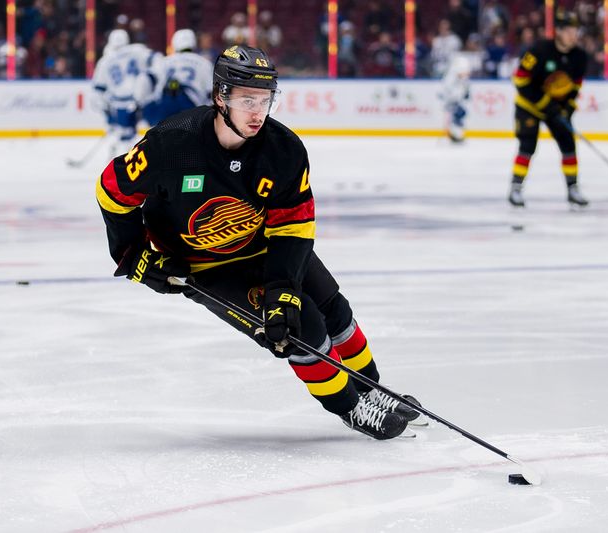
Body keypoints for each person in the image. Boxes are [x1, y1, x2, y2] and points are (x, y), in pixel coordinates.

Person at [95, 45, 422, 440]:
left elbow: (293, 226)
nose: (258, 112)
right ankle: (352, 408)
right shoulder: (173, 144)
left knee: (334, 310)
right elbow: (111, 191)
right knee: (304, 329)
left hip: (266, 246)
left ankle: (373, 390)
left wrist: (281, 288)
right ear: (220, 97)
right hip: (207, 268)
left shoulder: (283, 150)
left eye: (265, 100)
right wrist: (135, 257)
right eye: (247, 100)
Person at [508, 12, 588, 208]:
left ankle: (573, 188)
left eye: (575, 31)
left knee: (568, 144)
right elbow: (520, 80)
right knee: (527, 145)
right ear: (559, 32)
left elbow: (575, 86)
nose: (573, 35)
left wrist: (568, 108)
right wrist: (545, 104)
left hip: (555, 109)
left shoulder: (579, 56)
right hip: (529, 106)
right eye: (569, 31)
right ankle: (516, 188)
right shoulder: (539, 50)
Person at [92, 29, 160, 154]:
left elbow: (98, 89)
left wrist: (107, 112)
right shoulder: (137, 50)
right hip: (141, 98)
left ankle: (122, 159)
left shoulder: (105, 60)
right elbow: (158, 59)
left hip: (119, 103)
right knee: (154, 128)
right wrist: (152, 77)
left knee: (126, 134)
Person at [140, 29, 214, 127]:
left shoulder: (165, 61)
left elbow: (146, 79)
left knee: (161, 134)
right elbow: (211, 92)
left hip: (166, 100)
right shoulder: (204, 63)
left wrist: (144, 102)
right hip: (191, 102)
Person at [441, 53, 472, 143]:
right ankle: (453, 133)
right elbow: (447, 88)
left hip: (457, 99)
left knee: (460, 114)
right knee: (456, 114)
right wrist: (454, 97)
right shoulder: (450, 77)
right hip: (452, 100)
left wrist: (465, 93)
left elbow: (465, 87)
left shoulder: (462, 78)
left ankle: (456, 133)